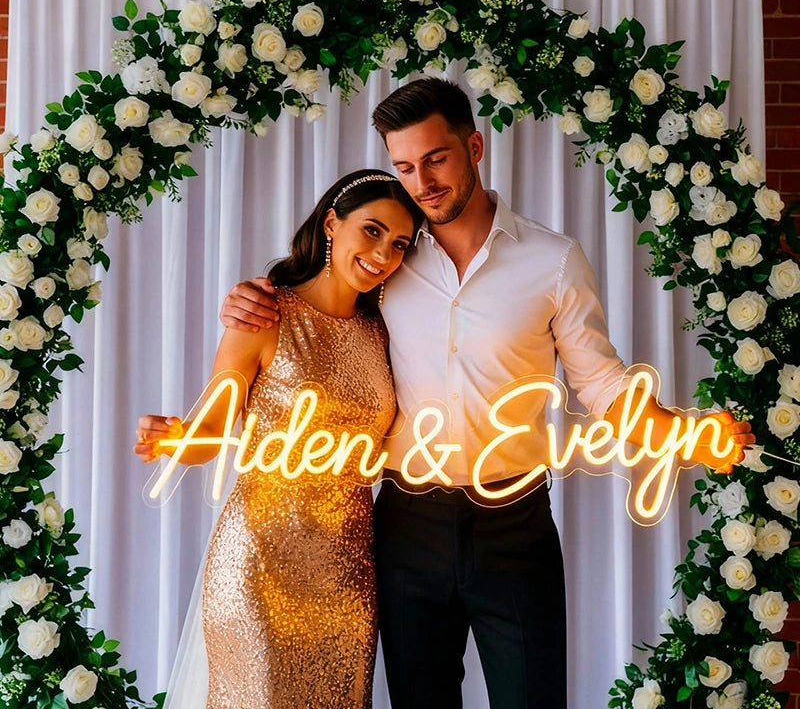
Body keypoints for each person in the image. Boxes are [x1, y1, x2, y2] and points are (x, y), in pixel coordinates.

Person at [219, 79, 754, 708]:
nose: (422, 181)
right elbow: (322, 310)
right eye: (405, 167)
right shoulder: (389, 260)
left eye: (436, 159)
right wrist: (256, 297)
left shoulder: (553, 262)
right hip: (404, 526)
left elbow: (604, 386)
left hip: (514, 527)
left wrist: (686, 433)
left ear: (474, 146)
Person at [135, 169, 424, 709]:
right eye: (373, 230)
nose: (384, 253)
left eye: (400, 243)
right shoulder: (266, 314)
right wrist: (173, 437)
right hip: (260, 569)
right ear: (332, 225)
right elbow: (211, 433)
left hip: (347, 576)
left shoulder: (384, 331)